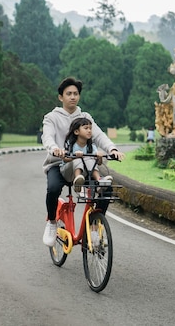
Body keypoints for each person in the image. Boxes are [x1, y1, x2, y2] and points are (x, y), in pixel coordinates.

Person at [41, 77, 125, 247]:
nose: (73, 97)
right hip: (59, 164)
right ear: (61, 97)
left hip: (84, 164)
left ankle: (94, 227)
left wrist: (112, 149)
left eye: (76, 94)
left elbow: (99, 135)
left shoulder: (85, 117)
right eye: (69, 94)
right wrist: (55, 148)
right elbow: (47, 136)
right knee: (53, 188)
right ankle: (51, 222)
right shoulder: (52, 117)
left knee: (106, 188)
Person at [60, 117, 113, 192]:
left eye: (90, 128)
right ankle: (77, 180)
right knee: (79, 158)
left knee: (90, 159)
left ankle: (99, 180)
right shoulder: (70, 144)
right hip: (68, 172)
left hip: (84, 173)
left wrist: (99, 157)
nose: (89, 131)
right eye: (86, 128)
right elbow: (65, 159)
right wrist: (75, 156)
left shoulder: (91, 146)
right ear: (76, 131)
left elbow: (99, 163)